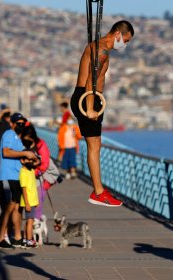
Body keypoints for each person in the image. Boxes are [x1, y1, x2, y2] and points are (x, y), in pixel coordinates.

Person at [70, 20, 134, 207]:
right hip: (87, 97)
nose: (126, 44)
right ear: (117, 34)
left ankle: (99, 189)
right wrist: (90, 107)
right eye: (126, 40)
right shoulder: (101, 51)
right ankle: (98, 192)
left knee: (96, 144)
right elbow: (91, 80)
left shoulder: (98, 47)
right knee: (94, 146)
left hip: (89, 97)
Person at [0, 112, 37, 249]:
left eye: (22, 124)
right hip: (8, 176)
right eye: (18, 123)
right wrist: (25, 153)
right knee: (9, 206)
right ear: (11, 123)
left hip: (17, 176)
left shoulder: (18, 139)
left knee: (17, 208)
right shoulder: (8, 134)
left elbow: (21, 157)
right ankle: (1, 237)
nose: (21, 125)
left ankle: (16, 237)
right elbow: (6, 152)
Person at [21, 124, 51, 220]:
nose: (26, 141)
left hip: (39, 178)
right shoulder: (24, 145)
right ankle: (31, 228)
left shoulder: (41, 145)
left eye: (27, 139)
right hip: (27, 177)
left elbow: (44, 163)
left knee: (37, 204)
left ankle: (36, 226)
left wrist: (34, 171)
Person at [19, 152, 40, 248]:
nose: (31, 161)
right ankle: (29, 240)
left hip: (32, 201)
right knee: (30, 221)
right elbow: (24, 189)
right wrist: (27, 203)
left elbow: (38, 161)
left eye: (32, 160)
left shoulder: (30, 169)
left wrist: (33, 157)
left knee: (28, 221)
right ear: (22, 160)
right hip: (28, 201)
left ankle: (25, 239)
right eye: (28, 159)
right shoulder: (23, 173)